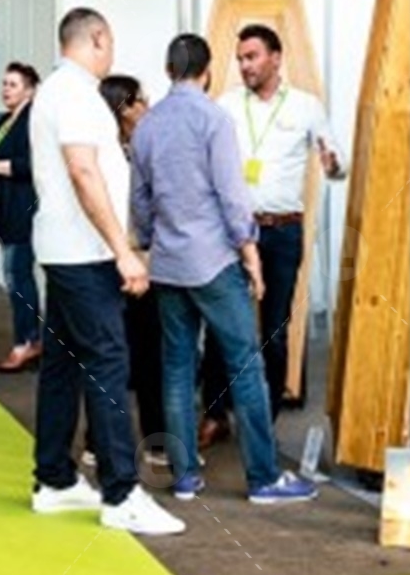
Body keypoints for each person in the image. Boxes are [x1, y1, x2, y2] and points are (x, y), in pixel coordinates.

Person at [131, 34, 318, 506]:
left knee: (177, 368)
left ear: (168, 70)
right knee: (246, 366)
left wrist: (153, 241)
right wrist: (250, 253)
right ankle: (263, 478)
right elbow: (232, 195)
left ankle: (185, 476)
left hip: (168, 265)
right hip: (213, 261)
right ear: (208, 71)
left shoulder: (148, 125)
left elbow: (140, 199)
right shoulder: (215, 119)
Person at [28, 7, 184, 536]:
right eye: (111, 43)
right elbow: (83, 170)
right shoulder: (73, 93)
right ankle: (121, 493)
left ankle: (54, 479)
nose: (112, 54)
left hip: (66, 249)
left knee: (64, 366)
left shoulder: (59, 91)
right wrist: (123, 249)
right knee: (107, 363)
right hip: (85, 253)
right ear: (97, 38)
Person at [201, 23, 349, 446]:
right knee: (221, 326)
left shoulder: (306, 106)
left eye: (252, 57)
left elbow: (338, 166)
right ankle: (215, 414)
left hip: (283, 232)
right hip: (233, 232)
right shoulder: (227, 106)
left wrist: (333, 164)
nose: (245, 65)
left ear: (276, 58)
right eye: (241, 59)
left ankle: (263, 422)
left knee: (274, 330)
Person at [99, 74, 166, 461]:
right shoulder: (108, 155)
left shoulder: (148, 148)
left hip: (140, 259)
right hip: (117, 259)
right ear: (125, 108)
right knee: (117, 355)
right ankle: (102, 441)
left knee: (145, 353)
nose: (147, 106)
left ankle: (153, 440)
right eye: (142, 100)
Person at [0, 61, 42, 373]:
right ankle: (29, 339)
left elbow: (29, 165)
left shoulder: (32, 121)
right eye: (4, 84)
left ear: (30, 90)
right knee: (17, 275)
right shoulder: (5, 120)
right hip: (5, 208)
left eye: (13, 85)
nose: (6, 90)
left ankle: (26, 342)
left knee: (17, 276)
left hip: (23, 209)